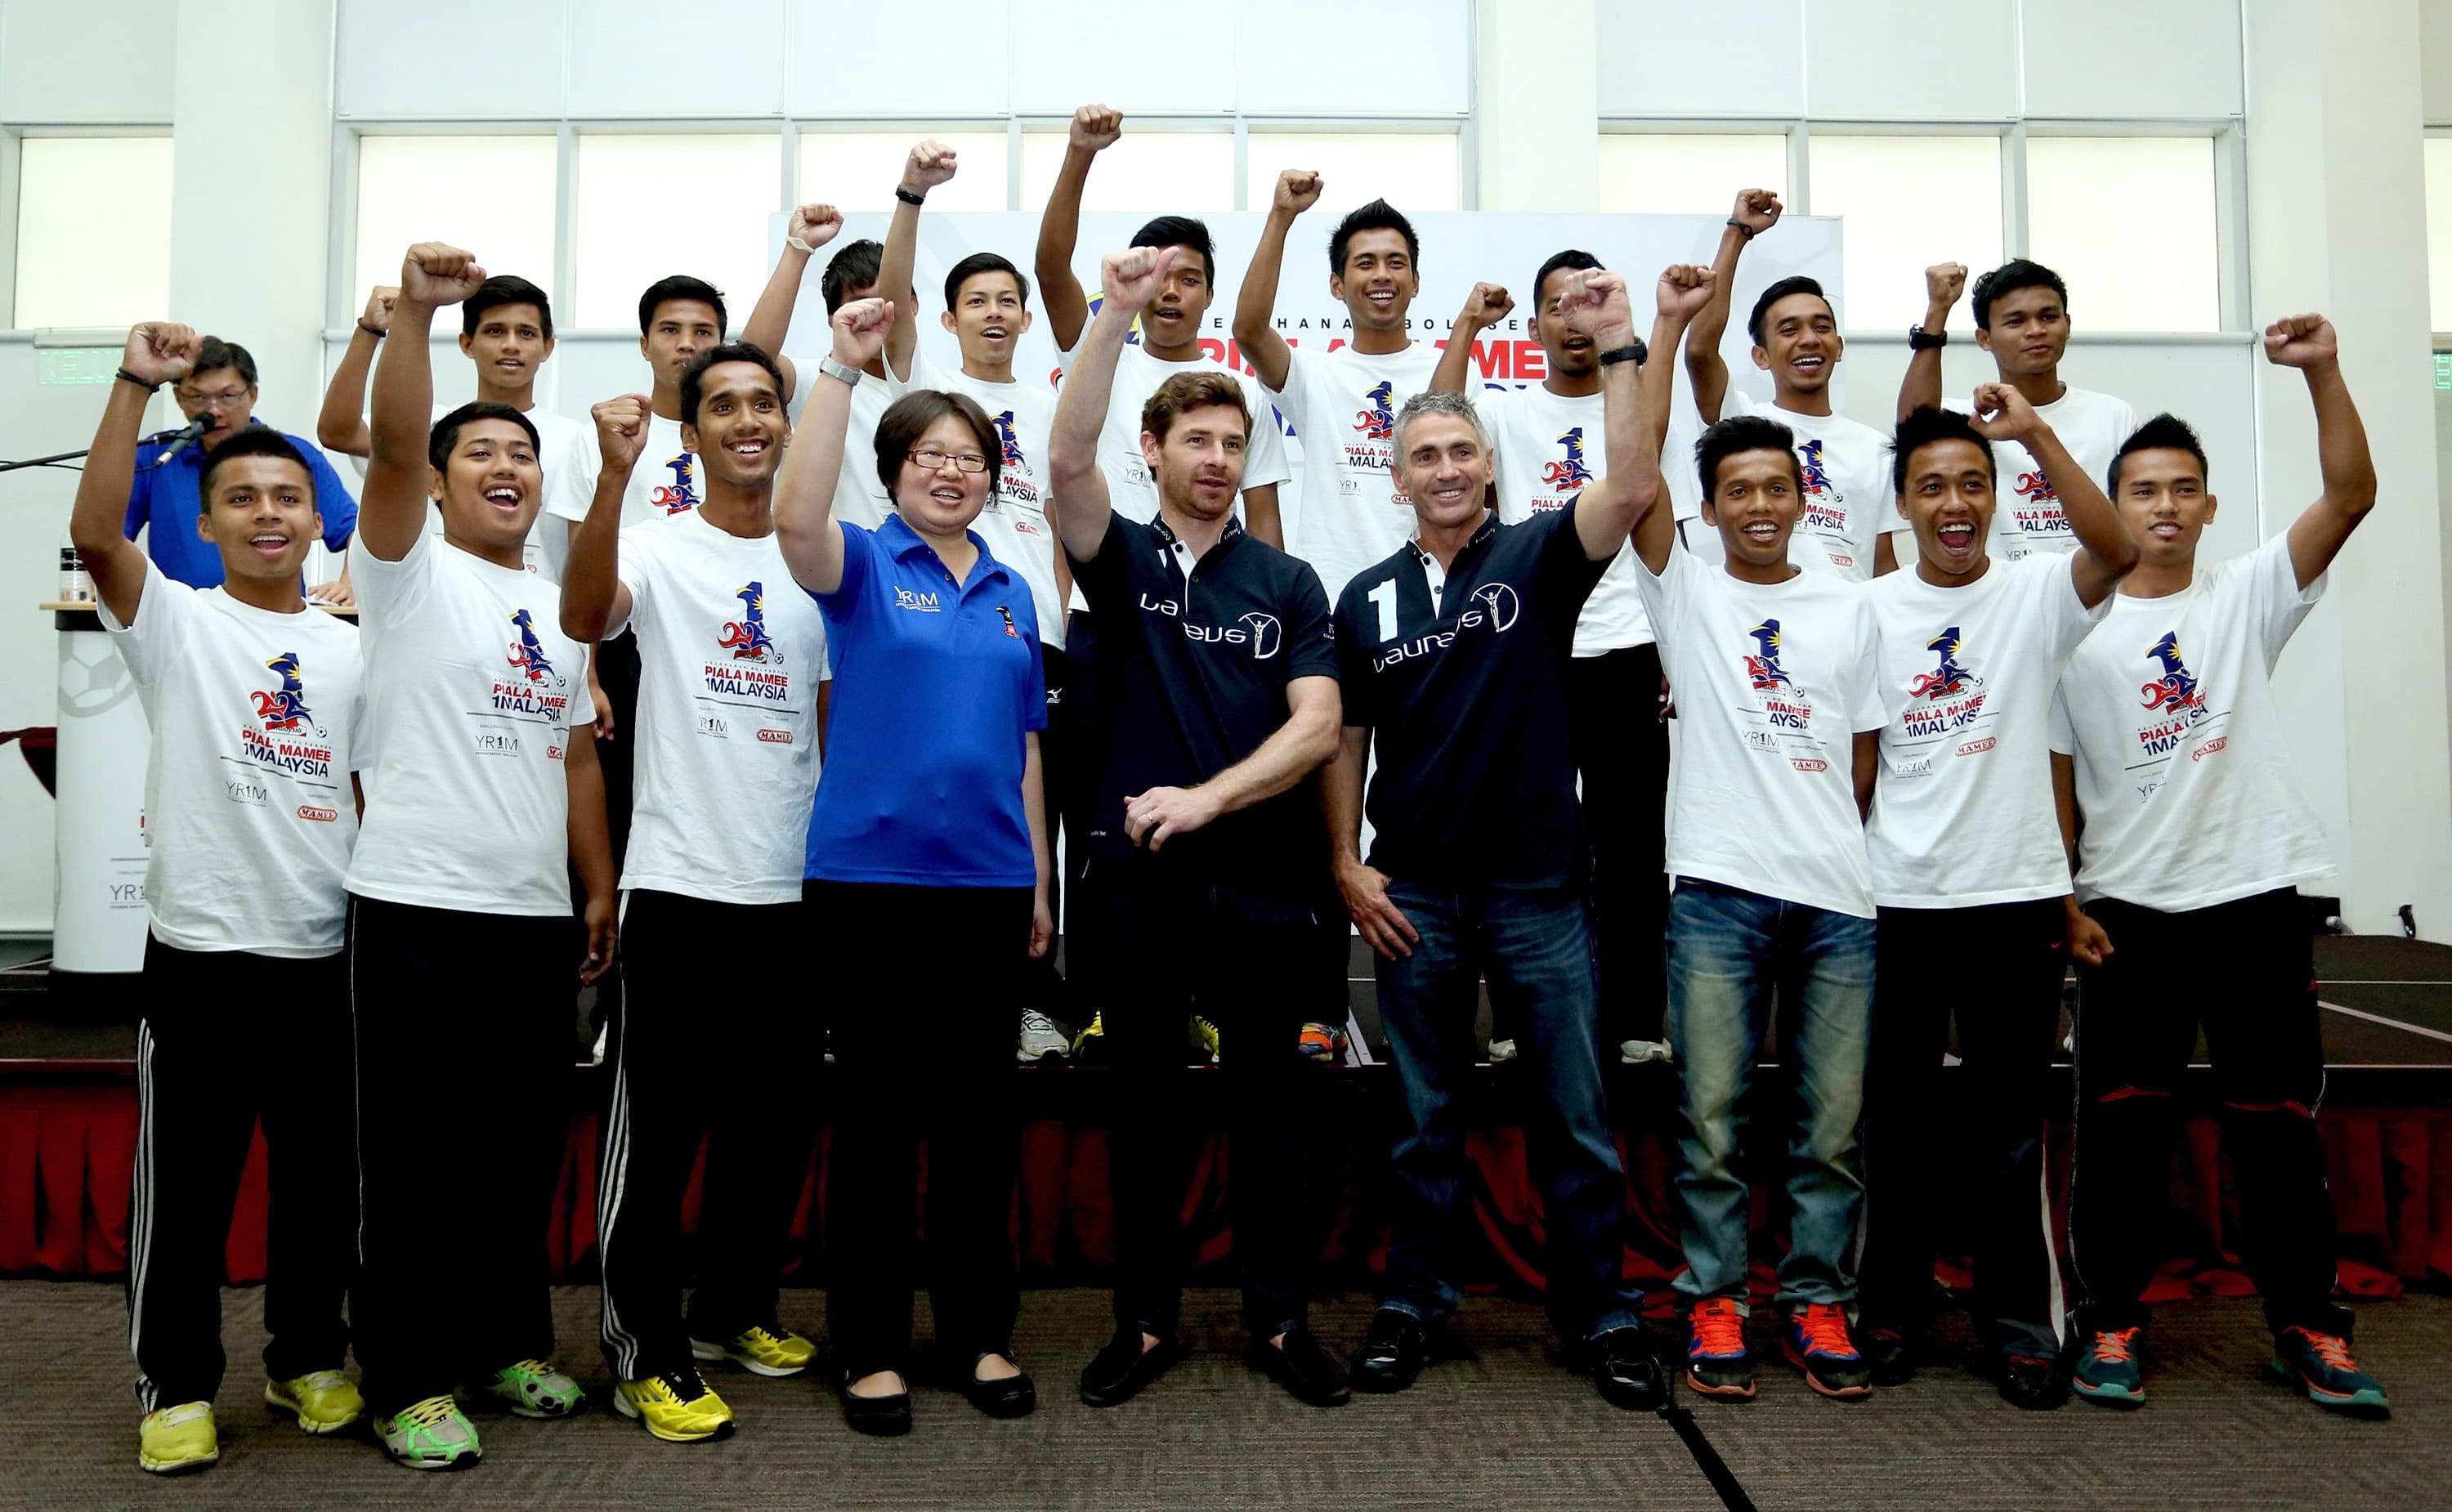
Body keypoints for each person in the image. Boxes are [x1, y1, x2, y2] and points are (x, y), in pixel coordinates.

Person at [1330, 266, 1699, 1411]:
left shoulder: (1540, 556)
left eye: (1462, 451)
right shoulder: (1365, 597)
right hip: (1417, 897)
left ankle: (1601, 1312)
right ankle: (1414, 1302)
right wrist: (1345, 861)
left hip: (1540, 890)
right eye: (1424, 456)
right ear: (1398, 476)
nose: (1445, 469)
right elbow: (1346, 738)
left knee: (1576, 1120)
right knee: (1421, 1120)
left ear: (1490, 466)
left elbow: (1631, 480)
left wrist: (1625, 340)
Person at [2053, 314, 2387, 1416]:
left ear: (2207, 506)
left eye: (2182, 489)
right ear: (2111, 506)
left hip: (2253, 899)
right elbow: (2054, 777)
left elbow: (2350, 496)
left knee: (2278, 1128)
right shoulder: (2070, 626)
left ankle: (2307, 1324)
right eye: (2142, 489)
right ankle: (2109, 1318)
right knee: (2122, 1131)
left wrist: (2323, 370)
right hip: (2128, 912)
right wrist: (2065, 897)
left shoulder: (2245, 593)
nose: (2163, 505)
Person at [1051, 247, 1348, 1410]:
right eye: (1197, 441)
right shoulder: (1120, 558)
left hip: (1264, 883)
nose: (1218, 458)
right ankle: (1144, 1321)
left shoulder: (1289, 581)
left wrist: (1209, 798)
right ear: (1156, 451)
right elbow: (1065, 456)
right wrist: (1117, 313)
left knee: (1272, 1110)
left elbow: (1316, 725)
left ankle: (1279, 1321)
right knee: (1146, 1111)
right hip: (1141, 885)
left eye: (1233, 442)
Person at [74, 322, 366, 1476]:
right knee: (187, 1192)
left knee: (320, 1185)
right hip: (200, 952)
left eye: (286, 496)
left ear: (316, 516)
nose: (266, 514)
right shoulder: (178, 622)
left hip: (324, 951)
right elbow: (97, 534)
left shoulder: (352, 648)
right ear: (204, 524)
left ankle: (308, 1358)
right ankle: (177, 1382)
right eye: (241, 498)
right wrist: (133, 382)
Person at [345, 241, 615, 1470]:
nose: (506, 467)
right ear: (441, 485)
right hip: (415, 905)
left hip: (530, 912)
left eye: (522, 454)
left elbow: (571, 755)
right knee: (415, 1158)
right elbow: (394, 441)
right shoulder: (404, 571)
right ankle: (406, 1376)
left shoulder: (556, 605)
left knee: (517, 1149)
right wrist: (413, 312)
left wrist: (595, 886)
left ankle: (506, 1344)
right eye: (480, 454)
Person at [773, 295, 1053, 1436]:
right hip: (870, 888)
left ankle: (980, 1334)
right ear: (892, 471)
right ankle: (872, 1347)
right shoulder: (860, 563)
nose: (950, 471)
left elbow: (1025, 745)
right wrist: (839, 373)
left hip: (989, 891)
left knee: (979, 1124)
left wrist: (1038, 881)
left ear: (993, 476)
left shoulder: (1014, 587)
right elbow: (794, 515)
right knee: (879, 1126)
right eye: (929, 455)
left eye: (970, 457)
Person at [562, 345, 830, 1443]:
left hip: (792, 891)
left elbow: (825, 720)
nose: (748, 419)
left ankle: (731, 1309)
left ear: (788, 425)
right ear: (693, 433)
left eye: (765, 402)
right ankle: (643, 1349)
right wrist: (612, 475)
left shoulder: (819, 555)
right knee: (659, 1137)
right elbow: (585, 614)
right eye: (723, 405)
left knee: (770, 1128)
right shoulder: (655, 544)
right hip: (678, 883)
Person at [1852, 396, 2137, 1410]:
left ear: (1998, 496)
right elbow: (1856, 759)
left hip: (2013, 902)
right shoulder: (1867, 607)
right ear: (1903, 505)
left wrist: (2035, 437)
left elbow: (2117, 545)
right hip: (1897, 900)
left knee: (2010, 1130)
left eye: (1973, 483)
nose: (1955, 503)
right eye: (1932, 486)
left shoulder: (2036, 591)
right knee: (1895, 1124)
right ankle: (1889, 1309)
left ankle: (2018, 1324)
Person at [1034, 104, 1304, 1062]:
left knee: (1221, 806)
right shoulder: (1102, 352)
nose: (1172, 290)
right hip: (1112, 609)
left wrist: (1264, 602)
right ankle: (1104, 1002)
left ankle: (1224, 1000)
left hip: (1220, 628)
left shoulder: (1239, 398)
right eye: (1161, 274)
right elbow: (1068, 464)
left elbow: (1264, 527)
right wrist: (1081, 160)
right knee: (1100, 821)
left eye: (1190, 276)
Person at [1632, 407, 1884, 1404]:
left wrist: (1822, 838)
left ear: (1803, 499)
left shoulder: (1851, 606)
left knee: (1832, 1126)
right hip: (1716, 892)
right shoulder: (1686, 590)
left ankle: (1819, 1301)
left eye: (1777, 486)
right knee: (1711, 1120)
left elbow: (1863, 751)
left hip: (1836, 901)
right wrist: (1643, 339)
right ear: (1709, 508)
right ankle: (1716, 1298)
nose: (1760, 505)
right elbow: (1635, 469)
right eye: (1737, 490)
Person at [1431, 250, 1673, 1064]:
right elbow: (1437, 416)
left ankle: (1637, 1020)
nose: (1575, 319)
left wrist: (1672, 639)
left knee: (1631, 844)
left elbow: (1656, 514)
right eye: (1559, 306)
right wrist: (1468, 325)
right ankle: (1513, 1020)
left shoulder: (1631, 400)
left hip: (1627, 644)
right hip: (1528, 650)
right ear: (1535, 326)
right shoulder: (1504, 412)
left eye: (1589, 302)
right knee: (1519, 841)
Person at [877, 141, 1077, 1060]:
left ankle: (1034, 998)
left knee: (1042, 819)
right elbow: (890, 294)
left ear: (1027, 319)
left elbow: (1065, 520)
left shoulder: (1050, 402)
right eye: (977, 300)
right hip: (935, 631)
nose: (994, 313)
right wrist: (911, 196)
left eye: (1008, 301)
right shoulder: (928, 390)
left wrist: (1058, 608)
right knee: (948, 796)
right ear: (950, 317)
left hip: (1033, 633)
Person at [1233, 172, 1440, 604]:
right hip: (1329, 601)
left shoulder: (1451, 369)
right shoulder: (1314, 374)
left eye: (1395, 262)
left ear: (1416, 281)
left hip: (1429, 598)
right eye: (1365, 263)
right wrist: (1281, 216)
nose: (1381, 275)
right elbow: (1249, 330)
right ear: (1337, 285)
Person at [318, 275, 595, 579]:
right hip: (437, 598)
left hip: (538, 604)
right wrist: (370, 330)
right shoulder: (430, 428)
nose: (511, 345)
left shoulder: (578, 440)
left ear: (547, 347)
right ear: (467, 343)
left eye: (526, 333)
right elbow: (338, 432)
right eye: (495, 331)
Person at [1681, 189, 1892, 582]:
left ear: (1839, 347)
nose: (1809, 340)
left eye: (1821, 327)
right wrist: (1737, 233)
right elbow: (1699, 351)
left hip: (1846, 614)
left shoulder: (1876, 447)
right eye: (1789, 330)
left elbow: (1882, 564)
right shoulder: (1742, 422)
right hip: (1761, 608)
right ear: (1761, 356)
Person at [1888, 258, 2138, 570]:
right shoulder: (1969, 420)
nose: (2036, 331)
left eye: (2048, 317)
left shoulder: (2113, 415)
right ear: (1985, 338)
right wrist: (1938, 310)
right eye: (2016, 322)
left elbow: (2133, 523)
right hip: (1995, 593)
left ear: (2068, 325)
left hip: (2089, 588)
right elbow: (1912, 430)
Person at [123, 334, 356, 599]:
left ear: (252, 394)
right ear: (179, 398)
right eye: (198, 397)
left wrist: (349, 584)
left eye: (227, 396)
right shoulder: (158, 457)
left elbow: (356, 531)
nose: (214, 411)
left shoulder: (293, 456)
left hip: (276, 613)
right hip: (181, 615)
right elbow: (108, 535)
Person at [742, 204, 911, 531]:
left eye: (886, 300)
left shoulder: (938, 389)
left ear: (912, 305)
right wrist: (798, 248)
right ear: (834, 319)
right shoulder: (816, 379)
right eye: (860, 303)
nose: (875, 313)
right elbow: (750, 362)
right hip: (826, 558)